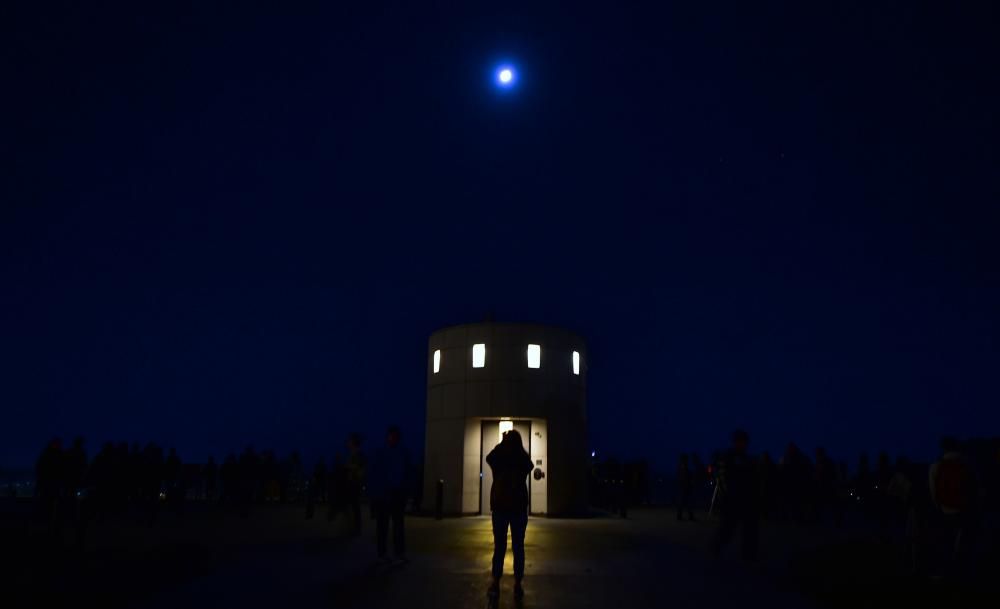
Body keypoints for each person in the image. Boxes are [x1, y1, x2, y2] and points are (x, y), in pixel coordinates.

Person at [486, 429, 534, 599]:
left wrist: (502, 442)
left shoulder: (500, 457)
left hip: (501, 507)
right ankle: (517, 583)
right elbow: (530, 466)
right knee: (518, 547)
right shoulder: (522, 459)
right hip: (518, 508)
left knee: (500, 547)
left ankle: (495, 582)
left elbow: (489, 457)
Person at [713, 429, 759, 561]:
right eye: (741, 441)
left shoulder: (747, 458)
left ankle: (748, 554)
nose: (744, 444)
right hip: (732, 499)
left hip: (745, 499)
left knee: (749, 528)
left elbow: (751, 478)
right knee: (728, 528)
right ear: (736, 442)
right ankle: (716, 546)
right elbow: (723, 476)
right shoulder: (729, 456)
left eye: (745, 441)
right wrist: (727, 492)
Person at [369, 425, 411, 563]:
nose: (392, 438)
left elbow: (405, 474)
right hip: (386, 494)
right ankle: (385, 553)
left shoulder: (399, 453)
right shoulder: (385, 453)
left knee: (395, 525)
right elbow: (377, 474)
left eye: (394, 436)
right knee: (385, 525)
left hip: (395, 493)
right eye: (391, 435)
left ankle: (395, 553)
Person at [344, 433, 366, 535]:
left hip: (354, 482)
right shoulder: (353, 453)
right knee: (353, 505)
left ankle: (356, 528)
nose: (347, 442)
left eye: (349, 441)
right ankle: (353, 527)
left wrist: (349, 467)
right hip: (352, 482)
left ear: (353, 443)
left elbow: (360, 468)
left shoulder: (357, 454)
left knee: (354, 506)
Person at [676, 453, 695, 521]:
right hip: (684, 487)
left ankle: (683, 516)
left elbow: (683, 477)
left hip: (684, 487)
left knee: (685, 502)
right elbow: (684, 477)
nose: (687, 461)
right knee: (685, 502)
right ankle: (685, 516)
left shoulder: (682, 467)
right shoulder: (682, 467)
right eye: (686, 459)